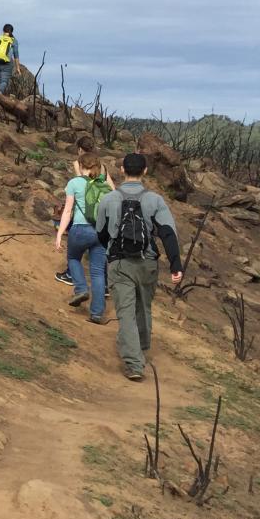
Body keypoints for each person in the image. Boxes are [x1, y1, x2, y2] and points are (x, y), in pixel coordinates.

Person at [95, 152, 183, 381]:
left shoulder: (109, 199)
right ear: (145, 171)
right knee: (143, 306)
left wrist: (112, 248)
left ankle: (134, 364)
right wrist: (176, 265)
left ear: (122, 170)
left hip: (119, 262)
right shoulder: (155, 200)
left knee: (125, 312)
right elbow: (168, 233)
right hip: (148, 263)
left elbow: (101, 234)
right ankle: (142, 346)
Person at [55, 145, 115, 325]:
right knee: (97, 273)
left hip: (80, 229)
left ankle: (81, 288)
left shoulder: (75, 183)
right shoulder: (104, 186)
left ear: (81, 166)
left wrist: (59, 234)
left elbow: (67, 211)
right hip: (100, 233)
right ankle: (97, 314)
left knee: (73, 258)